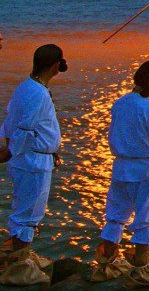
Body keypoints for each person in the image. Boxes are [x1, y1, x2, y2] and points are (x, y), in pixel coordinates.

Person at [90, 60, 149, 285]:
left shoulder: (120, 103)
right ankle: (142, 269)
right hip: (146, 168)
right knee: (147, 217)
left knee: (116, 215)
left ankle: (106, 263)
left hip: (121, 166)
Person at [0, 44, 66, 285]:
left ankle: (21, 255)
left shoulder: (25, 87)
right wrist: (11, 152)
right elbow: (25, 129)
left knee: (24, 208)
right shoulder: (37, 93)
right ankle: (18, 266)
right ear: (55, 65)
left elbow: (10, 123)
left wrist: (10, 150)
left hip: (29, 158)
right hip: (33, 160)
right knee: (29, 213)